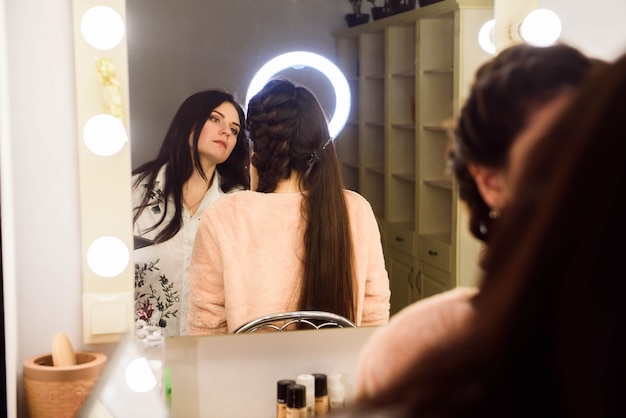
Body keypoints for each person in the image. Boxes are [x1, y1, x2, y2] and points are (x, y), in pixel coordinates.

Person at [331, 50, 626, 418]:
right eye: (557, 156)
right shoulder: (418, 348)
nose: (589, 173)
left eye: (601, 147)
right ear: (490, 180)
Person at [187, 79, 391, 334]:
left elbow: (207, 327)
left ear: (257, 151)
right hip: (339, 372)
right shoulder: (355, 210)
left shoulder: (225, 215)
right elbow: (374, 318)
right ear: (320, 143)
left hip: (246, 372)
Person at [132, 89, 249, 337]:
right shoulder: (134, 192)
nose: (226, 131)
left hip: (213, 352)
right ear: (189, 124)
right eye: (215, 119)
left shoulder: (240, 204)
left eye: (235, 129)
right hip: (143, 351)